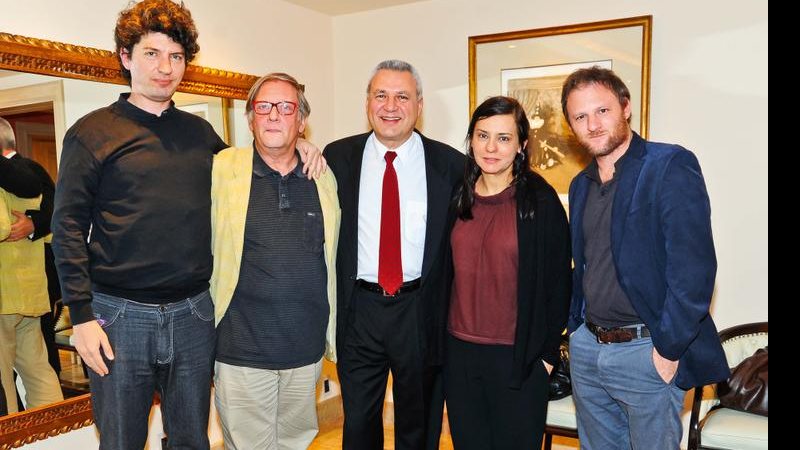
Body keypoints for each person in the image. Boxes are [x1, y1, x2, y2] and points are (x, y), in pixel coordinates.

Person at [51, 1, 322, 447]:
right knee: (121, 441)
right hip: (119, 317)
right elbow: (67, 230)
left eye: (176, 57)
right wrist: (81, 317)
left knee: (192, 440)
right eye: (152, 54)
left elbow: (260, 160)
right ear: (126, 57)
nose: (165, 68)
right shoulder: (91, 133)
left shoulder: (202, 137)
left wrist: (308, 146)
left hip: (195, 313)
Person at [562, 66, 729, 449]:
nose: (592, 124)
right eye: (580, 116)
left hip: (646, 351)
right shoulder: (580, 185)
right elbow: (584, 264)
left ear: (625, 107)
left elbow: (694, 270)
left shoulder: (668, 165)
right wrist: (575, 334)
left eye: (601, 111)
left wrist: (668, 350)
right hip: (589, 350)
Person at [324, 59, 465, 450]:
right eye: (381, 95)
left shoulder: (451, 165)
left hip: (421, 309)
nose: (391, 106)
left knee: (418, 427)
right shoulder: (335, 159)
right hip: (359, 310)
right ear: (367, 103)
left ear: (419, 105)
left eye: (402, 96)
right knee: (358, 427)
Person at [210, 72, 340, 449]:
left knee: (295, 444)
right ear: (250, 118)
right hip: (242, 353)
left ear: (301, 121)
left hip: (305, 352)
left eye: (286, 108)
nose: (273, 116)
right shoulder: (221, 170)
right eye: (263, 107)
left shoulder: (323, 177)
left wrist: (310, 148)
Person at [443, 96, 571, 449]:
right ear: (470, 140)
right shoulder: (458, 195)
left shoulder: (540, 202)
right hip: (460, 354)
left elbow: (561, 283)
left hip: (519, 359)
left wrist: (546, 357)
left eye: (503, 138)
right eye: (483, 135)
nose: (491, 147)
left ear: (521, 146)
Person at [0, 118, 63, 414]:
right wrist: (35, 223)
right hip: (34, 288)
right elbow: (57, 213)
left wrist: (31, 224)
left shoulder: (19, 175)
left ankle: (13, 439)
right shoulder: (36, 172)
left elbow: (3, 227)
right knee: (39, 367)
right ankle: (53, 432)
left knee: (3, 380)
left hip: (6, 291)